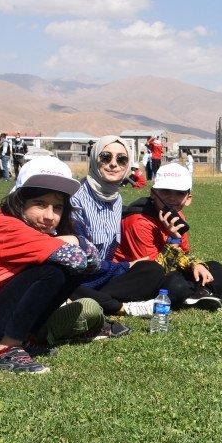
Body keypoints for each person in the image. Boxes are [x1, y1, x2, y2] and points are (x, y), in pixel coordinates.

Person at [0, 156, 106, 373]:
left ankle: (24, 339)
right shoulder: (11, 228)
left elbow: (92, 262)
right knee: (55, 269)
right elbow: (80, 258)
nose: (50, 216)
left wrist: (69, 242)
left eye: (57, 207)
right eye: (40, 204)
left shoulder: (11, 224)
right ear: (20, 200)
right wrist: (75, 240)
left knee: (66, 269)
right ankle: (6, 349)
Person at [68, 135, 166, 326]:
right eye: (106, 157)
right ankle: (119, 307)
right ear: (95, 159)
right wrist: (125, 267)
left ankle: (91, 301)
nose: (113, 164)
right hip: (77, 276)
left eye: (121, 159)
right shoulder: (76, 198)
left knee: (152, 270)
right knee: (63, 285)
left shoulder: (116, 199)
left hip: (103, 277)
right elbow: (81, 260)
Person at [115, 162, 222, 310]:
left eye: (179, 193)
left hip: (164, 270)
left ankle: (199, 293)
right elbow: (152, 271)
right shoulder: (137, 221)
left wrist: (194, 264)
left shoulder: (177, 216)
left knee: (215, 268)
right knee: (175, 283)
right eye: (165, 191)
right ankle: (204, 291)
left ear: (188, 198)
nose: (172, 198)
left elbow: (182, 254)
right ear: (153, 193)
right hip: (137, 277)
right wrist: (173, 239)